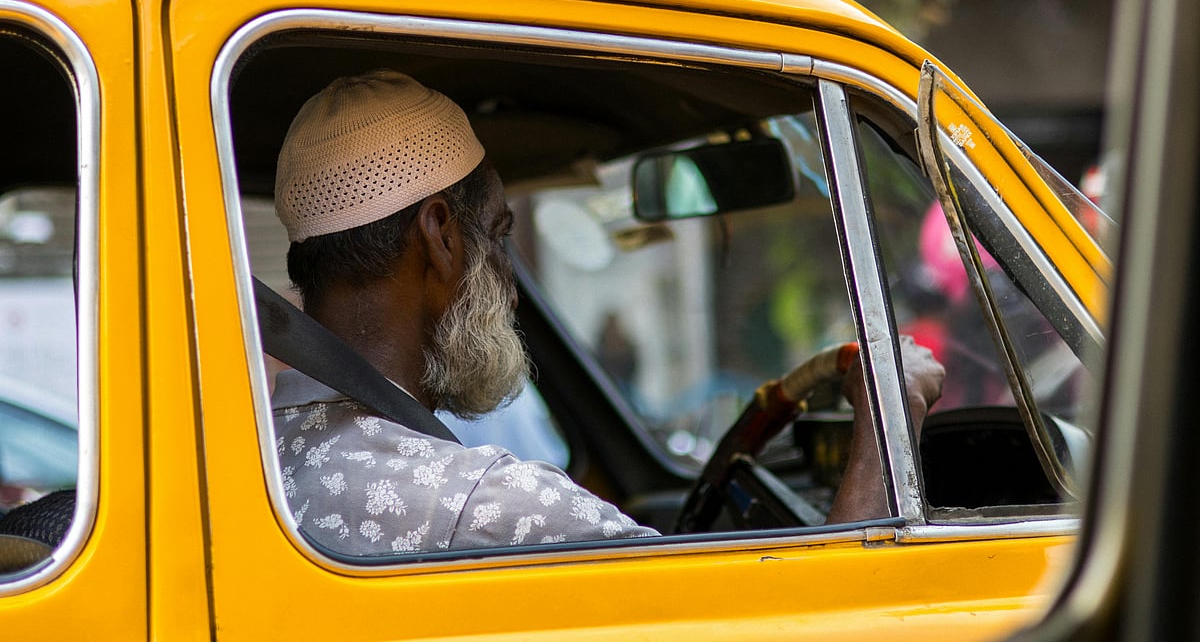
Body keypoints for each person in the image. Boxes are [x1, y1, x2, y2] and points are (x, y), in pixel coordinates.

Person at [270, 69, 943, 555]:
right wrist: (892, 414)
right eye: (499, 237)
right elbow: (809, 625)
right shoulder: (486, 507)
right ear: (441, 236)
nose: (506, 283)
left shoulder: (255, 463)